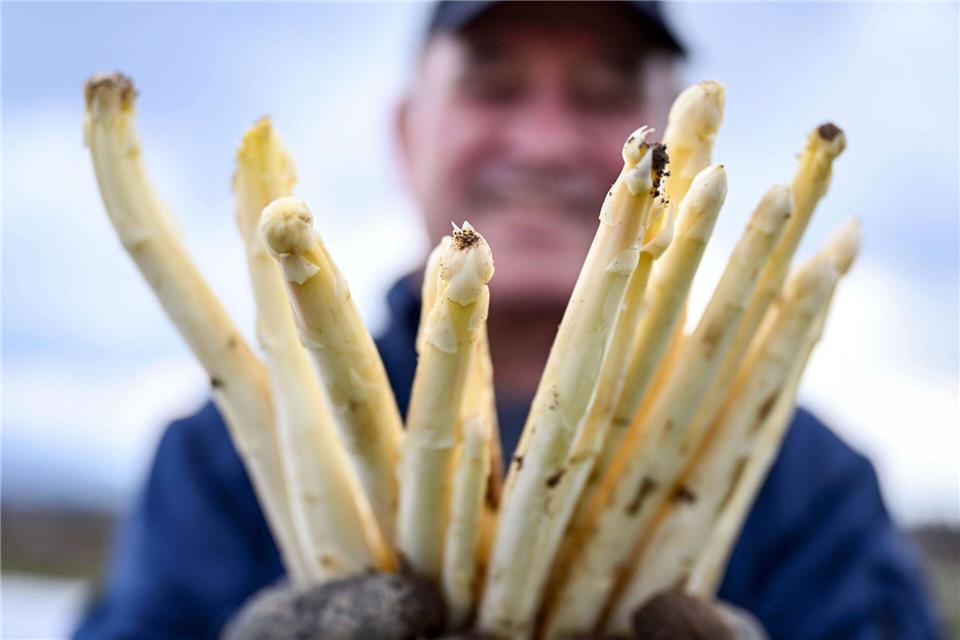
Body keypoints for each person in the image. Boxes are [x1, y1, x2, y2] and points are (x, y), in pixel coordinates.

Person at [74, 2, 939, 638]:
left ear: (681, 151)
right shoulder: (217, 461)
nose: (545, 142)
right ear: (409, 133)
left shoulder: (807, 483)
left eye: (604, 96)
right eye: (495, 88)